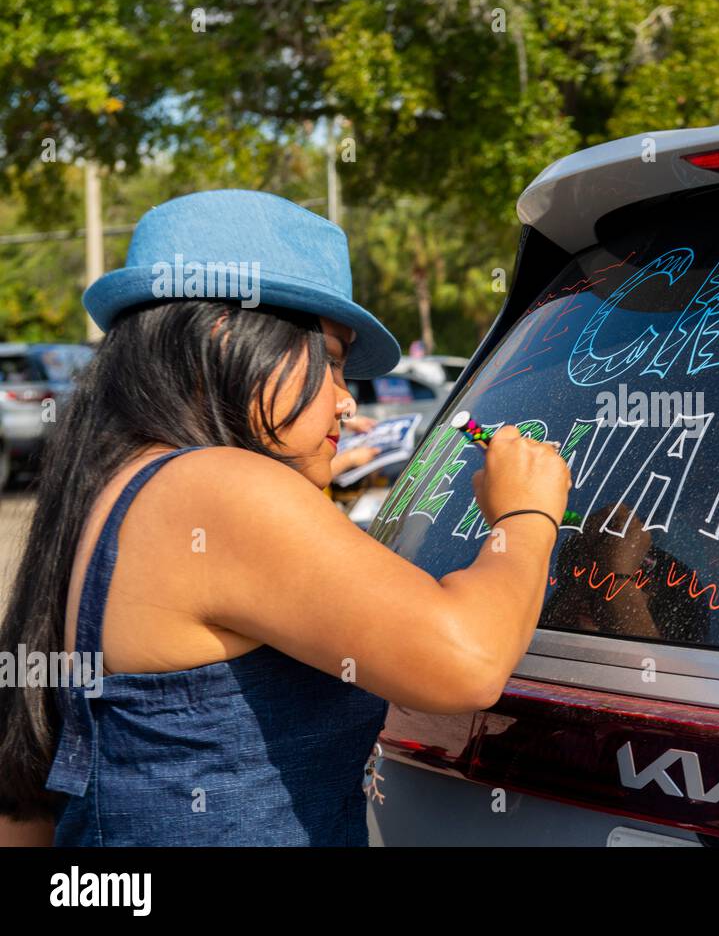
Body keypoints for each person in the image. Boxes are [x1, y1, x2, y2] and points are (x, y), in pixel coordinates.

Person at [0, 189, 571, 845]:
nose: (345, 403)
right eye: (331, 360)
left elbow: (27, 805)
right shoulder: (216, 487)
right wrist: (527, 510)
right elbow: (467, 660)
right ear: (225, 334)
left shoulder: (117, 483)